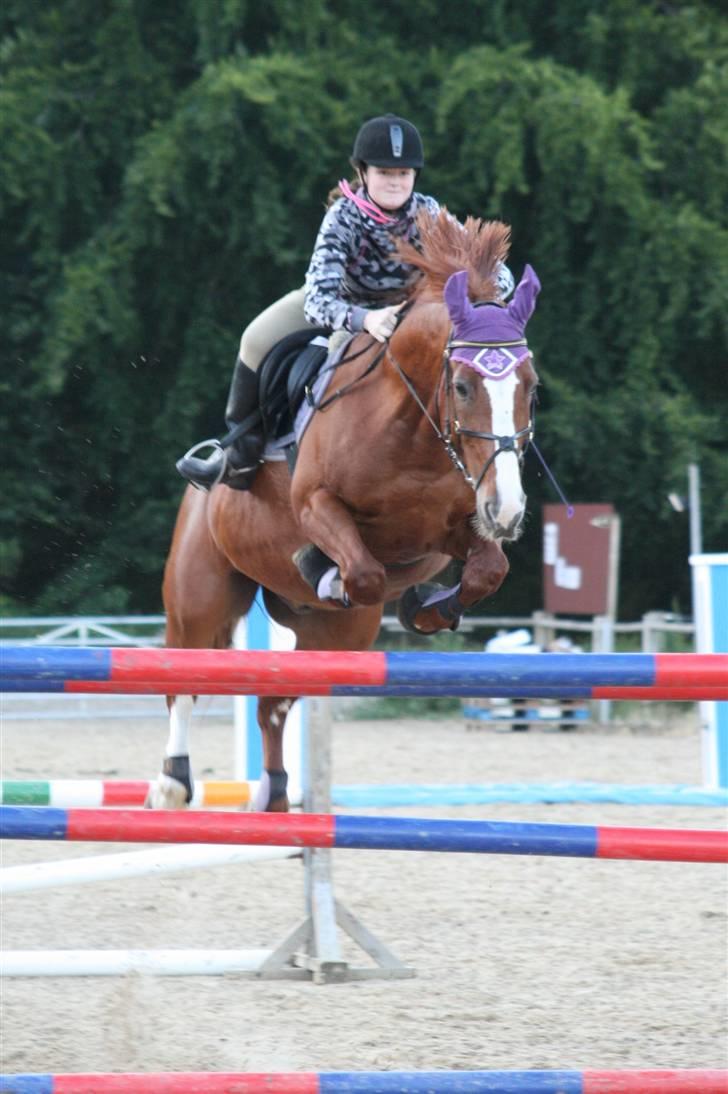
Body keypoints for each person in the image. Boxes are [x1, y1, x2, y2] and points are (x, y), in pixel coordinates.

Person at [176, 113, 515, 491]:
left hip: (410, 313)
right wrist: (364, 320)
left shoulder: (429, 213)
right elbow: (318, 299)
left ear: (414, 177)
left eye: (403, 173)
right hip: (343, 307)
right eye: (385, 172)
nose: (395, 182)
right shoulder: (344, 217)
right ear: (364, 171)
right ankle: (241, 453)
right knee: (255, 338)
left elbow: (498, 272)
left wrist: (482, 291)